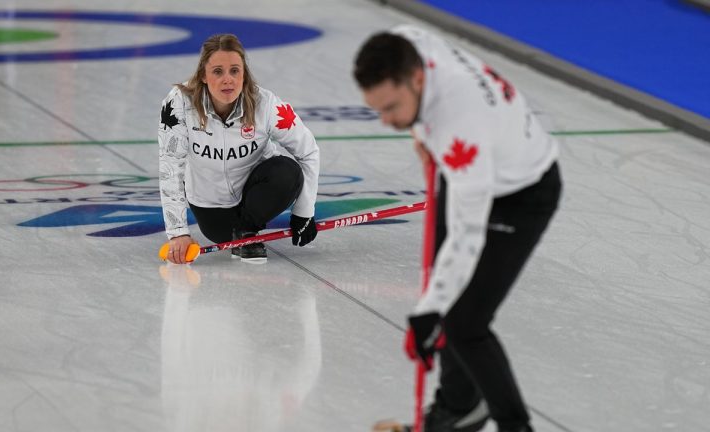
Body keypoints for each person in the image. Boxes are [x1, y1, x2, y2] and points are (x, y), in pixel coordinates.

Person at [354, 26, 562, 432]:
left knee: (463, 322)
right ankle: (460, 406)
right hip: (472, 161)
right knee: (442, 280)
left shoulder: (458, 123)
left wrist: (428, 312)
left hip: (522, 194)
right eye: (378, 110)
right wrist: (418, 129)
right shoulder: (406, 41)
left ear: (416, 79)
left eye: (392, 108)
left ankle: (515, 425)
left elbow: (468, 236)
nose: (386, 121)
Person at [159, 34, 320, 264]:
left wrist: (304, 212)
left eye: (235, 70)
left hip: (255, 193)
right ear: (203, 75)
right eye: (218, 71)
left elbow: (308, 150)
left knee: (288, 171)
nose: (228, 79)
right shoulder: (178, 104)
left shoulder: (267, 104)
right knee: (222, 232)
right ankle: (239, 232)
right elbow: (170, 165)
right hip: (210, 205)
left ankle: (247, 230)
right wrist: (178, 233)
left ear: (244, 74)